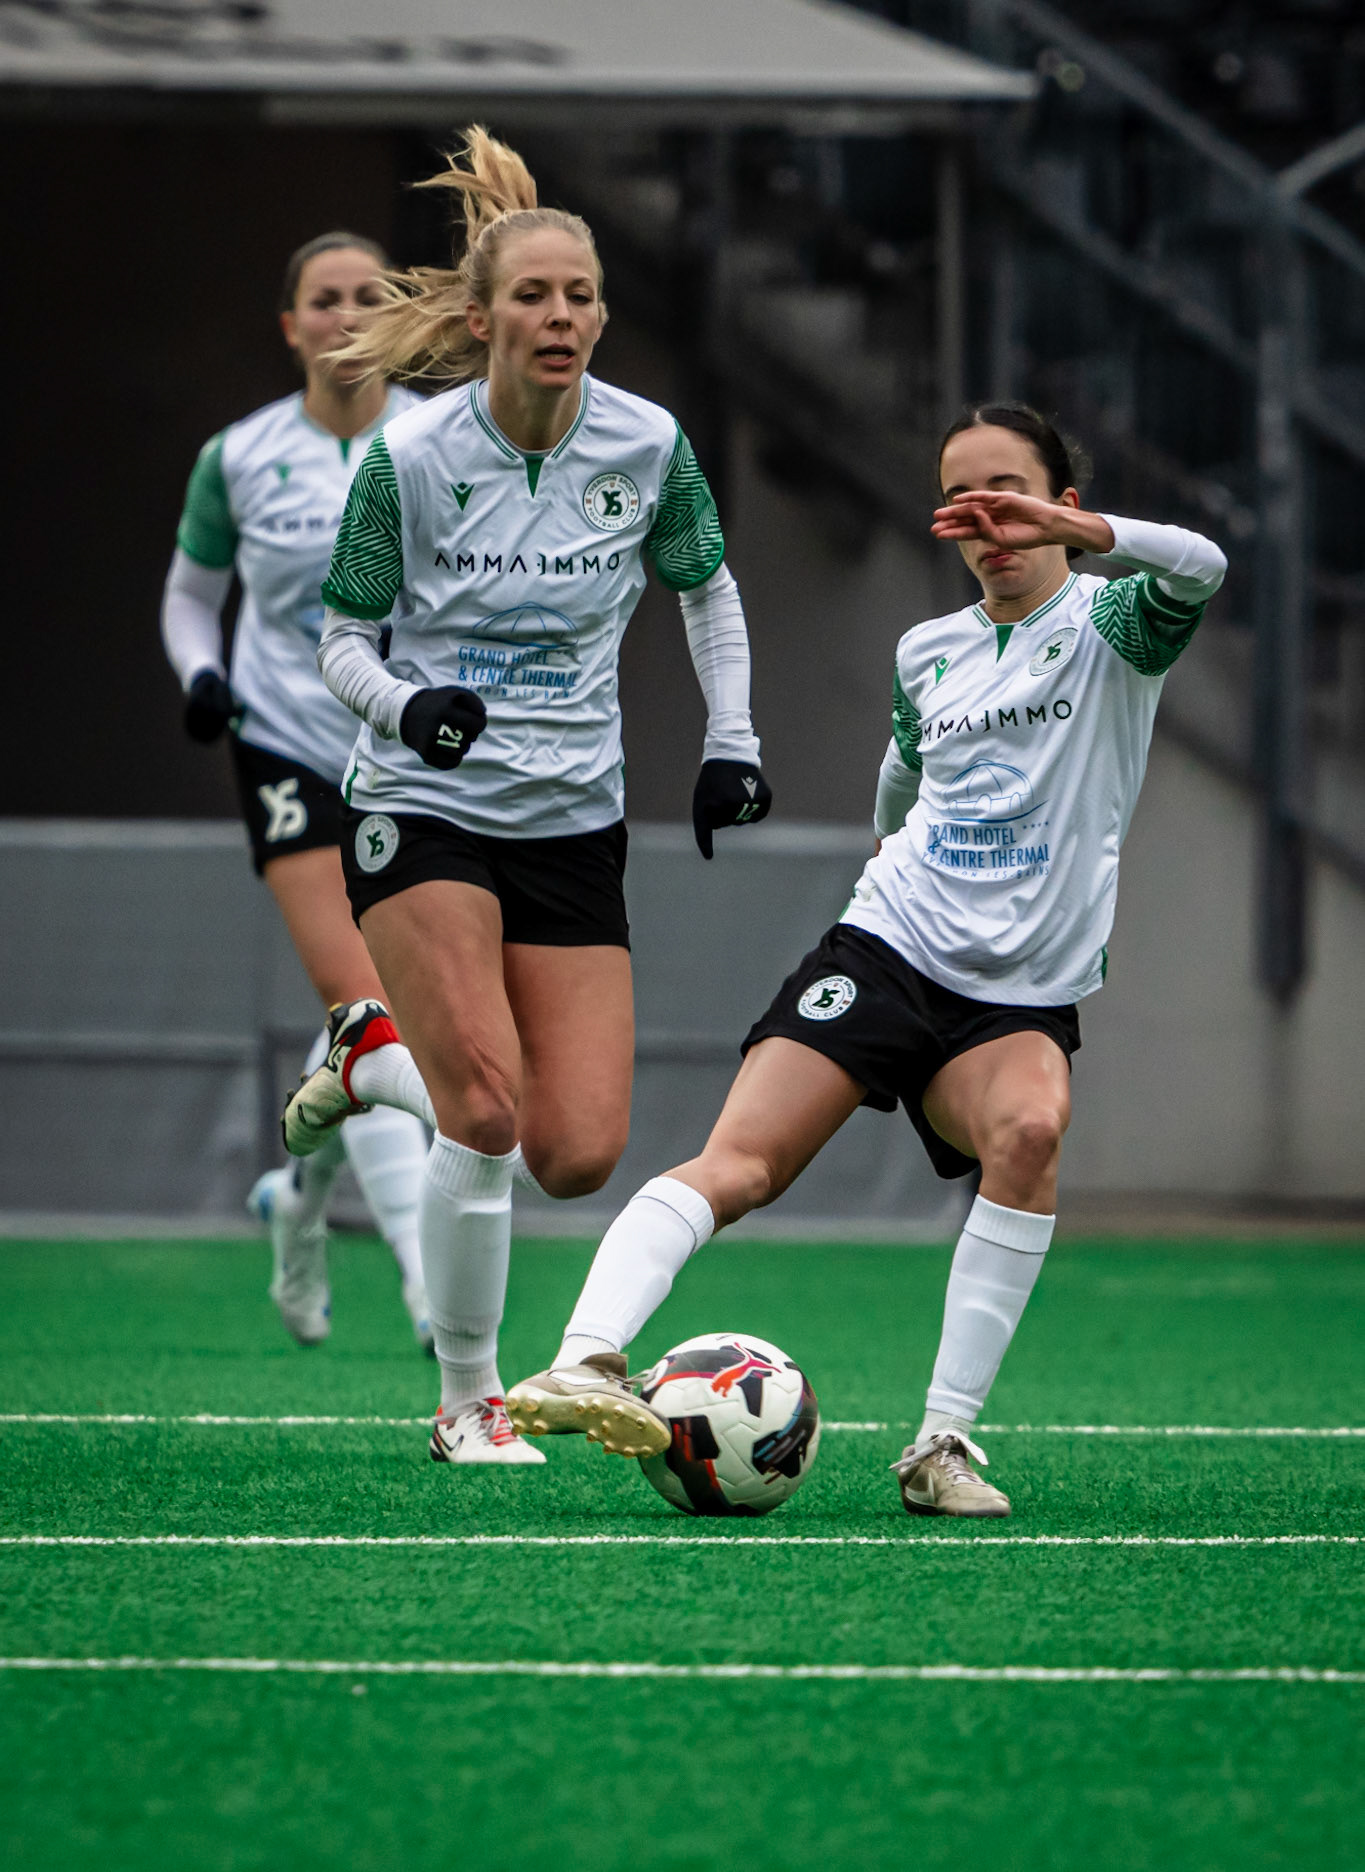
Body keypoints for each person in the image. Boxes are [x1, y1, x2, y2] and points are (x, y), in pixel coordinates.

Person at [502, 402, 1227, 1517]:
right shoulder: (926, 650)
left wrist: (1080, 534)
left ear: (1064, 507)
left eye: (1013, 495)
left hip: (1016, 995)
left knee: (1030, 1129)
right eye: (966, 502)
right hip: (889, 946)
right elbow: (900, 778)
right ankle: (586, 1355)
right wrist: (890, 857)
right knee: (739, 1165)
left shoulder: (1114, 623)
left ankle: (940, 1445)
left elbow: (1207, 563)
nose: (991, 522)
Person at [280, 128, 773, 1466]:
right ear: (487, 316)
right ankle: (466, 1401)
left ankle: (370, 1059)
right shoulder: (414, 456)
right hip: (418, 804)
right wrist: (406, 708)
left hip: (572, 816)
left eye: (579, 296)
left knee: (575, 1152)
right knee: (487, 1116)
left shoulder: (648, 443)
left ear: (602, 315)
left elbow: (706, 591)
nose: (559, 317)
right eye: (534, 296)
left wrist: (731, 740)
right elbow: (338, 639)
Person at [160, 232, 434, 1353]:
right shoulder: (238, 455)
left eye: (369, 294)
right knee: (363, 1002)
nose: (346, 314)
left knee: (390, 1025)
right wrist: (204, 677)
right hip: (282, 742)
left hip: (411, 749)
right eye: (324, 299)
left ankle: (300, 1198)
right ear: (291, 325)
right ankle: (430, 1287)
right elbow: (189, 593)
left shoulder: (438, 439)